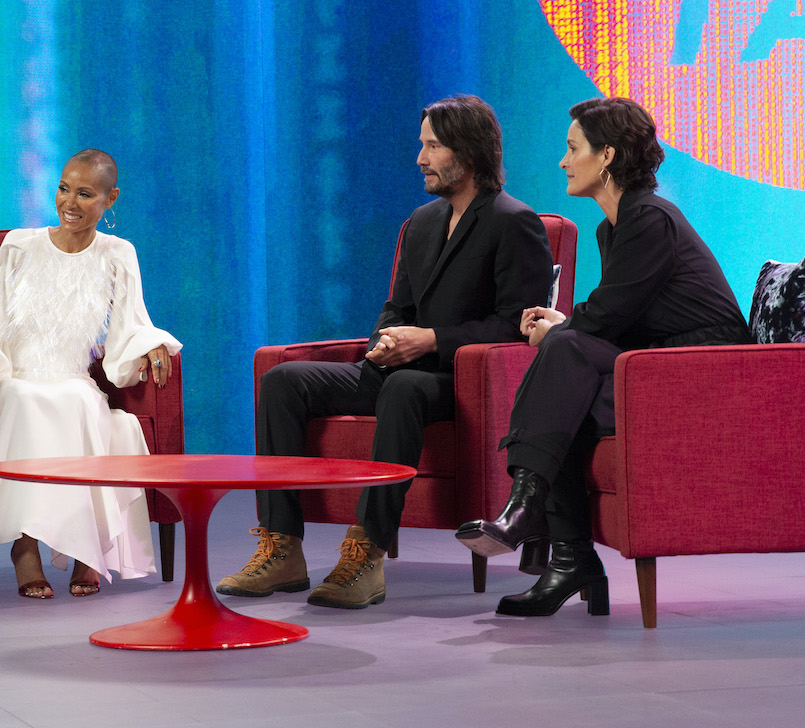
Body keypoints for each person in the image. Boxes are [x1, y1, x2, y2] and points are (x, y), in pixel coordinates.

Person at [217, 95, 556, 609]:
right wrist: (387, 341)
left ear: (467, 152)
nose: (420, 157)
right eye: (422, 145)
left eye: (433, 146)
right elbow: (396, 306)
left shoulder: (514, 222)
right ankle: (282, 547)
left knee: (405, 386)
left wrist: (433, 340)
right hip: (398, 368)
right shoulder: (420, 222)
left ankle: (367, 555)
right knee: (283, 380)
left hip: (457, 384)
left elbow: (516, 325)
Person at [456, 97, 750, 616]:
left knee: (565, 354)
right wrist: (563, 328)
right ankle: (566, 556)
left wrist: (561, 327)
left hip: (706, 368)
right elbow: (620, 319)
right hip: (654, 362)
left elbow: (611, 314)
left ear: (607, 154)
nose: (564, 162)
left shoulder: (648, 218)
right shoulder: (611, 226)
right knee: (566, 384)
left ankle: (535, 522)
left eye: (573, 149)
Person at [0, 149, 181, 598]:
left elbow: (131, 325)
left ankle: (87, 549)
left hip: (71, 377)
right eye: (64, 188)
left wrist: (151, 345)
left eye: (86, 193)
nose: (70, 201)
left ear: (110, 198)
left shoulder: (118, 253)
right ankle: (24, 547)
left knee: (81, 401)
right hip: (15, 378)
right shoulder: (18, 245)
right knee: (26, 401)